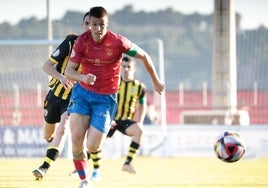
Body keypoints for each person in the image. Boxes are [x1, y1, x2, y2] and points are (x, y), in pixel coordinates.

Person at [65, 6, 165, 188]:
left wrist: (156, 81)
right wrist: (83, 78)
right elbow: (68, 71)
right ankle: (84, 180)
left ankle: (96, 164)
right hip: (83, 94)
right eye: (94, 24)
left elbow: (144, 56)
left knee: (93, 146)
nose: (97, 29)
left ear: (107, 24)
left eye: (101, 25)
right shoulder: (82, 42)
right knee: (76, 138)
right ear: (90, 25)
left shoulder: (118, 42)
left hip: (105, 99)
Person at [32, 12, 91, 181]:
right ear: (83, 26)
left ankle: (44, 167)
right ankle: (53, 145)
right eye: (86, 23)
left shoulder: (97, 53)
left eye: (93, 24)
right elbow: (47, 66)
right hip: (54, 96)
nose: (90, 27)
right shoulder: (71, 42)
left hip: (74, 99)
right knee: (47, 135)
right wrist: (62, 77)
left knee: (63, 128)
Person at [106, 56, 147, 174]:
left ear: (134, 69)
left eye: (129, 67)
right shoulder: (113, 83)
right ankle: (81, 169)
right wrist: (108, 119)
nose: (126, 69)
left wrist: (141, 121)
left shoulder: (140, 87)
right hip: (111, 120)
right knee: (94, 142)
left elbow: (142, 104)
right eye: (123, 66)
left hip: (126, 121)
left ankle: (127, 163)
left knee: (140, 131)